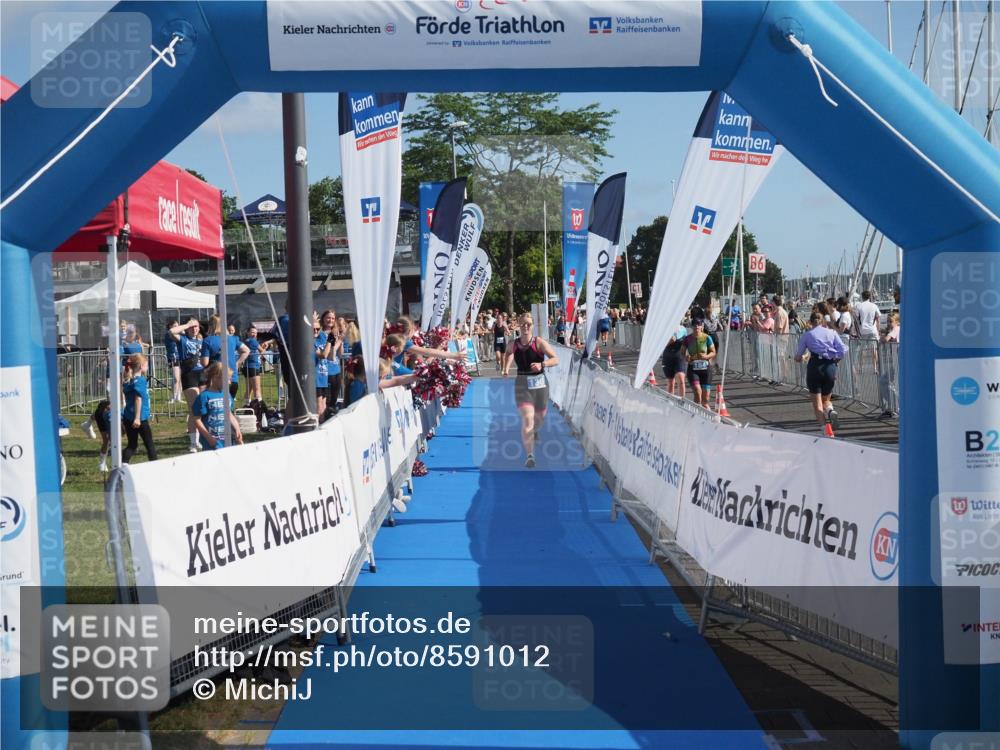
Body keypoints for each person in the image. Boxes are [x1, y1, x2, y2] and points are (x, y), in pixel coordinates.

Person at [511, 313, 558, 468]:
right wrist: (504, 367)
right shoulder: (513, 343)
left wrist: (542, 365)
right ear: (518, 325)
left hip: (539, 384)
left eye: (529, 324)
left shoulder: (539, 342)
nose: (526, 326)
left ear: (532, 326)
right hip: (522, 383)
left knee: (539, 419)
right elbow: (507, 354)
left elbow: (555, 359)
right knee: (528, 419)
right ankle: (530, 456)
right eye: (523, 324)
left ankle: (535, 430)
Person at [794, 312, 848, 437]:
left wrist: (800, 358)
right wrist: (835, 359)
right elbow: (843, 349)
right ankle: (830, 410)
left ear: (810, 322)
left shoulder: (807, 335)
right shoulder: (832, 333)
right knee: (826, 399)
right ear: (823, 321)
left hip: (815, 366)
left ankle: (827, 431)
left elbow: (798, 356)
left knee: (817, 403)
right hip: (829, 366)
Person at [170, 317, 205, 453]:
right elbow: (171, 332)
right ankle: (192, 442)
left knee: (202, 408)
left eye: (196, 326)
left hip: (202, 375)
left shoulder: (201, 340)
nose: (194, 329)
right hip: (189, 375)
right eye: (192, 326)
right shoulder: (182, 339)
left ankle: (201, 438)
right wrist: (186, 325)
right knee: (194, 409)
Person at [193, 362, 243, 450]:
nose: (229, 382)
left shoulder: (227, 395)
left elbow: (229, 414)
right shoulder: (204, 396)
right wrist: (208, 437)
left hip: (227, 440)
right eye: (227, 379)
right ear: (216, 377)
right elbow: (197, 420)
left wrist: (237, 428)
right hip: (211, 443)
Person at [201, 315, 249, 399]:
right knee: (229, 408)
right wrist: (237, 363)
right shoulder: (233, 338)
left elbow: (204, 363)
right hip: (233, 379)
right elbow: (246, 350)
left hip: (216, 381)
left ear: (211, 325)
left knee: (217, 409)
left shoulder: (208, 340)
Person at [121, 354, 157, 464]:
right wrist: (137, 418)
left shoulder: (129, 380)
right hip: (139, 418)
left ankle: (123, 464)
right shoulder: (140, 381)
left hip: (128, 417)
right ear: (141, 366)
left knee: (132, 445)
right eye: (147, 365)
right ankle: (155, 466)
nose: (147, 367)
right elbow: (138, 399)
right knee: (149, 444)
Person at [685, 319, 716, 409]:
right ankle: (696, 416)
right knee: (698, 393)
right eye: (695, 325)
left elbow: (713, 352)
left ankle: (709, 421)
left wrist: (706, 357)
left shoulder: (707, 338)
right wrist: (686, 357)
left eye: (699, 325)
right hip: (693, 369)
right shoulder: (688, 339)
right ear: (692, 327)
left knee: (705, 400)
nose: (697, 327)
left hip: (706, 369)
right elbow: (682, 353)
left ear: (702, 327)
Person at [242, 324, 269, 405]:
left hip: (247, 367)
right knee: (257, 389)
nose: (254, 334)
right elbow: (262, 351)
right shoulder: (253, 341)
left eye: (256, 333)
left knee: (249, 389)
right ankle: (260, 407)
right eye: (252, 332)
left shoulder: (246, 341)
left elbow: (255, 350)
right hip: (253, 366)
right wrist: (265, 347)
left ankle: (247, 406)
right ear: (248, 333)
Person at [661, 323, 689, 398]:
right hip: (668, 357)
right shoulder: (664, 328)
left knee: (681, 380)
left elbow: (675, 339)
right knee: (671, 382)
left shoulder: (682, 328)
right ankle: (670, 403)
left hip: (680, 357)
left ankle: (682, 402)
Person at [163, 319, 183, 403]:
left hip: (180, 357)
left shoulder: (179, 334)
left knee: (180, 379)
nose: (177, 328)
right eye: (175, 326)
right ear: (170, 327)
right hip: (173, 358)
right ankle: (173, 397)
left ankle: (178, 397)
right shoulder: (169, 334)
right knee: (176, 378)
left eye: (177, 326)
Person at [93, 399, 113, 472]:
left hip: (117, 412)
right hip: (105, 415)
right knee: (107, 441)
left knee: (110, 441)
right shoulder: (103, 410)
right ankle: (102, 463)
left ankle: (87, 424)